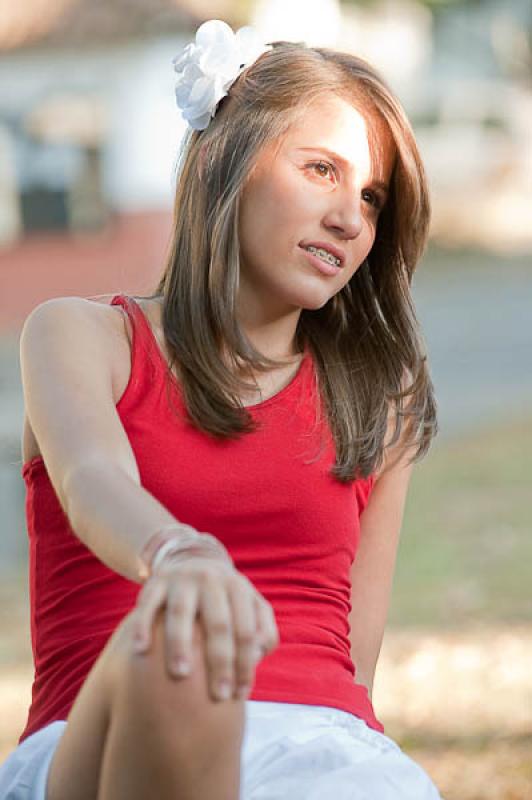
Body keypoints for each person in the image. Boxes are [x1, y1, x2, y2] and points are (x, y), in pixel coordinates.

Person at [0, 18, 442, 800]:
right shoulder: (80, 334)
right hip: (108, 746)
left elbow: (352, 668)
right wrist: (178, 554)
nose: (350, 218)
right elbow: (93, 480)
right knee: (187, 646)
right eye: (319, 170)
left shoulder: (381, 395)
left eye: (371, 198)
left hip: (317, 751)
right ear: (225, 164)